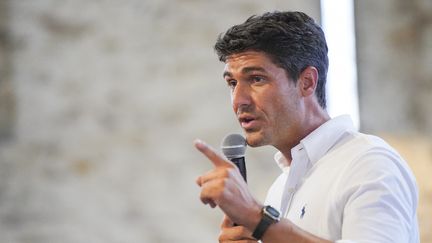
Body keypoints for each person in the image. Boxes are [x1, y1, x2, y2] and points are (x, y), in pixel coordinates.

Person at [194, 11, 419, 243]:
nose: (238, 100)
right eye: (232, 83)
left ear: (307, 82)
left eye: (256, 79)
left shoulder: (369, 163)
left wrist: (259, 220)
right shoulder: (279, 189)